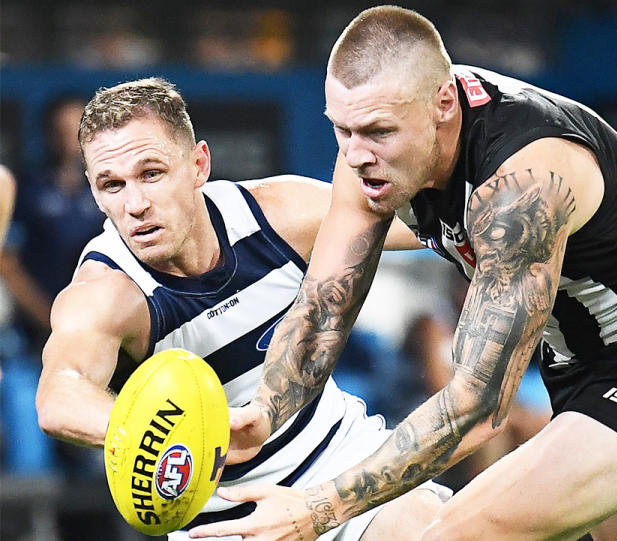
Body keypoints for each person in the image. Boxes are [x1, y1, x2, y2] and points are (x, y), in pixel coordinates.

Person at [191, 6, 617, 541]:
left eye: (377, 132)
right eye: (341, 129)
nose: (356, 153)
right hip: (579, 360)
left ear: (442, 102)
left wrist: (319, 508)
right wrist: (265, 411)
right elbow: (323, 306)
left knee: (458, 532)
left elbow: (478, 405)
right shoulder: (376, 144)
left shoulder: (521, 177)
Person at [33, 77, 450, 541]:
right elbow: (59, 396)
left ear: (198, 164)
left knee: (434, 531)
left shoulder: (277, 214)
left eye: (151, 174)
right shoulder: (110, 290)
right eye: (112, 184)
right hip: (222, 525)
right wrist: (152, 429)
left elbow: (431, 221)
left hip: (344, 470)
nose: (134, 204)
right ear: (93, 190)